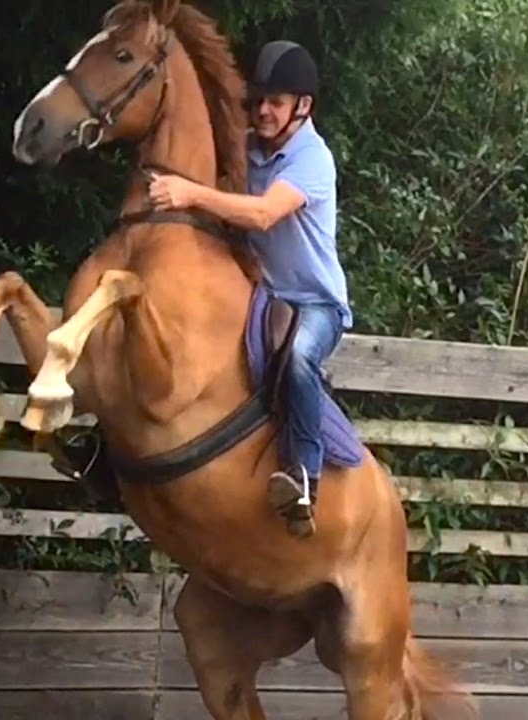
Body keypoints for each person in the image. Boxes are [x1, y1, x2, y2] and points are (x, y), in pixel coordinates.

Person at [147, 40, 351, 538]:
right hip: (259, 293)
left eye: (275, 103)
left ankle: (305, 478)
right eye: (258, 100)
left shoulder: (313, 160)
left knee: (299, 357)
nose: (262, 110)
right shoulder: (247, 143)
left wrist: (191, 193)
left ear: (303, 107)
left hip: (313, 303)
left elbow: (262, 215)